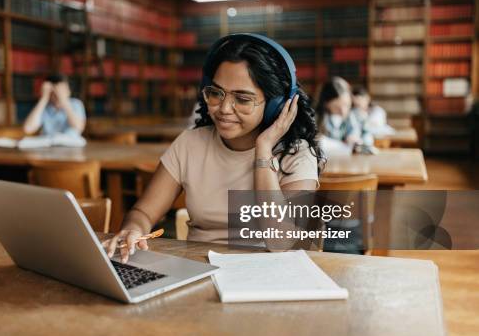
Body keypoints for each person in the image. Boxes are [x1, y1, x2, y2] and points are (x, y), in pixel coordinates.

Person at [104, 34, 324, 262]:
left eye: (243, 99)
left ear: (276, 104)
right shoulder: (190, 143)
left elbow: (281, 243)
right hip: (199, 270)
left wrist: (264, 149)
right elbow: (143, 212)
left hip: (268, 276)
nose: (224, 108)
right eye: (216, 93)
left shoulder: (297, 154)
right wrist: (134, 229)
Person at [315, 76, 373, 148]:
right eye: (336, 107)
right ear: (326, 104)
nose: (343, 111)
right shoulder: (317, 119)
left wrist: (359, 141)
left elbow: (367, 136)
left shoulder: (357, 115)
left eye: (346, 105)